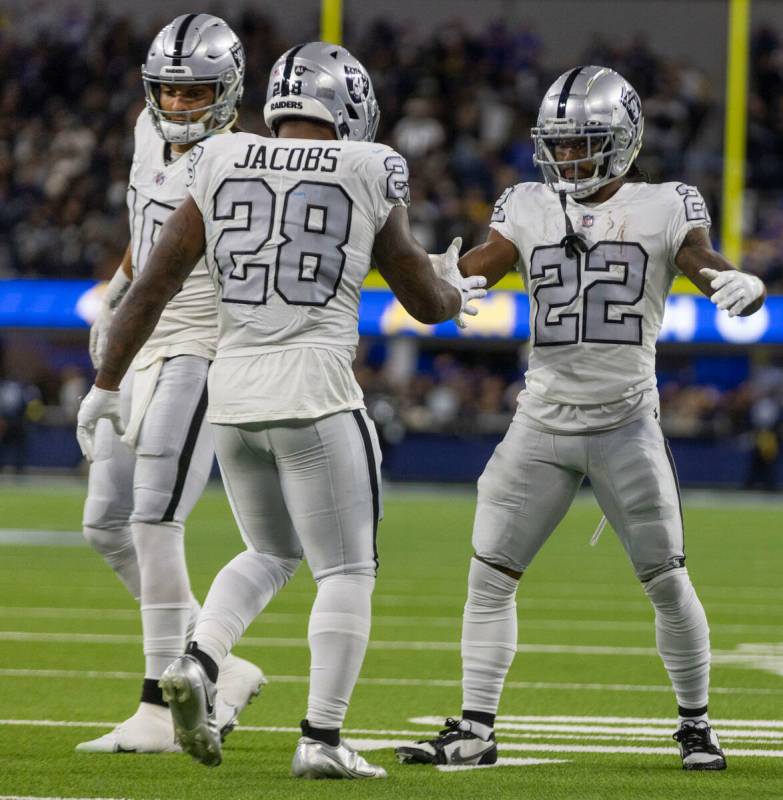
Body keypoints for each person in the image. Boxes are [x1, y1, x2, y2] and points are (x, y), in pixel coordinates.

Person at [76, 41, 486, 778]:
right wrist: (455, 290)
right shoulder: (370, 166)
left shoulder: (220, 158)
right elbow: (423, 303)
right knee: (347, 567)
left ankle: (199, 660)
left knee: (269, 552)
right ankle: (322, 739)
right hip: (316, 392)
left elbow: (153, 283)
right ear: (353, 106)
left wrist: (106, 382)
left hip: (230, 393)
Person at [395, 66, 766, 772]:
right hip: (540, 424)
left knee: (664, 576)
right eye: (559, 144)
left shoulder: (664, 203)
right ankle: (475, 728)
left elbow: (696, 258)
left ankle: (695, 724)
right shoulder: (528, 203)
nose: (566, 157)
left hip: (626, 423)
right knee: (489, 573)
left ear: (624, 140)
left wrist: (730, 279)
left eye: (582, 143)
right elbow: (489, 261)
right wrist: (444, 276)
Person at [76, 14, 264, 755]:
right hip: (144, 339)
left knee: (155, 518)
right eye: (168, 90)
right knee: (104, 523)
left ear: (227, 91)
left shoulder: (241, 159)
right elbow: (145, 224)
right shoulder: (144, 131)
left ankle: (160, 704)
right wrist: (119, 288)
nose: (179, 105)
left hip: (201, 346)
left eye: (195, 92)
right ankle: (219, 661)